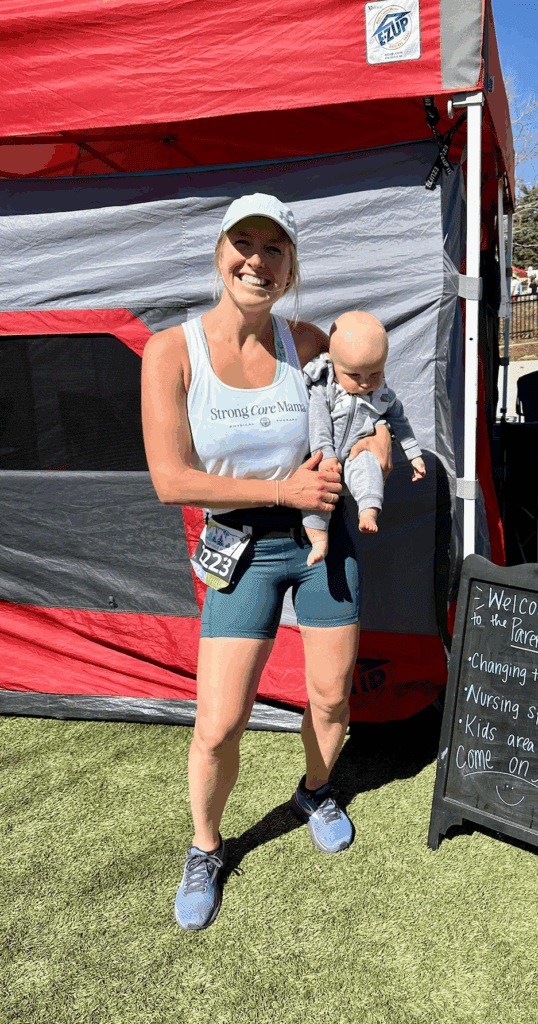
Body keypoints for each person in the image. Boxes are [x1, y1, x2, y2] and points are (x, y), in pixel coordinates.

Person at [141, 193, 392, 931]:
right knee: (219, 724)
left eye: (273, 248)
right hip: (239, 544)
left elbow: (366, 411)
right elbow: (171, 479)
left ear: (290, 265)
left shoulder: (308, 341)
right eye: (243, 243)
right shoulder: (170, 351)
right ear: (220, 251)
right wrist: (279, 488)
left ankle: (316, 791)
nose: (256, 260)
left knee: (330, 698)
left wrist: (373, 448)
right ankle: (206, 846)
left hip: (321, 537)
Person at [302, 311, 426, 565]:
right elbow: (319, 425)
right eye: (354, 376)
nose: (366, 383)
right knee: (316, 493)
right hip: (326, 456)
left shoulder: (381, 394)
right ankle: (318, 541)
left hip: (359, 452)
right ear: (331, 362)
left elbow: (400, 421)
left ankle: (367, 513)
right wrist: (325, 455)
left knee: (369, 469)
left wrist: (413, 454)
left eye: (375, 374)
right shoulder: (324, 388)